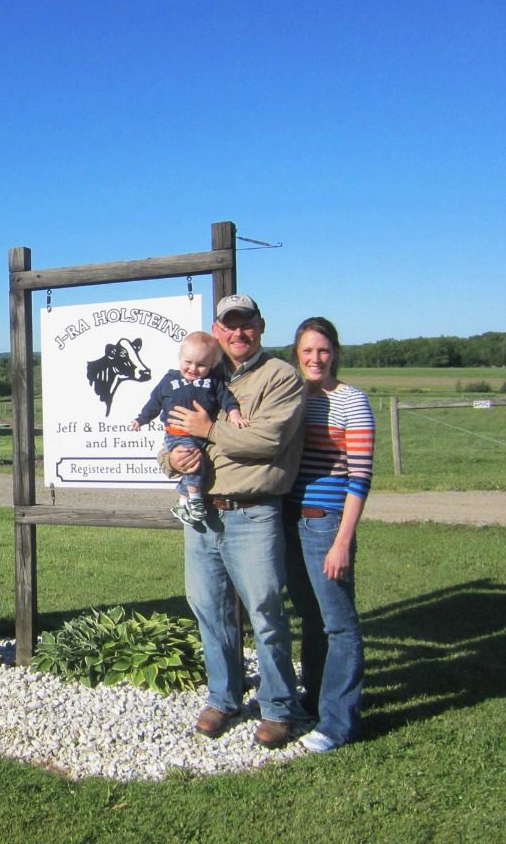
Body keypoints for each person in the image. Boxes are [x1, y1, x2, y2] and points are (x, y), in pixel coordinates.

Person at [161, 294, 306, 748]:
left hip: (253, 511)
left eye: (246, 325)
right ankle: (224, 698)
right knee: (209, 609)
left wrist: (207, 431)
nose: (238, 333)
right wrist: (172, 461)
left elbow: (267, 441)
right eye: (229, 326)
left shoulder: (280, 376)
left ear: (260, 327)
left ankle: (278, 706)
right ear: (217, 330)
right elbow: (170, 430)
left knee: (264, 611)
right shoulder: (203, 373)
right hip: (203, 513)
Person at [282, 317, 374, 754]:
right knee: (310, 617)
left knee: (339, 622)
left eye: (323, 350)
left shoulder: (351, 401)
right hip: (289, 517)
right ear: (296, 354)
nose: (315, 358)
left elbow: (360, 478)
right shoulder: (293, 396)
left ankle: (339, 723)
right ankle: (315, 698)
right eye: (307, 351)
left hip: (326, 521)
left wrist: (342, 541)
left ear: (334, 352)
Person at [132, 331, 248, 524]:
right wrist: (141, 419)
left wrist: (235, 414)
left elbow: (227, 400)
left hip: (203, 435)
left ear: (212, 365)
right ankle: (195, 500)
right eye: (188, 362)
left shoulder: (214, 382)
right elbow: (155, 402)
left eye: (201, 365)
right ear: (179, 359)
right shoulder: (169, 381)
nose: (193, 368)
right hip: (178, 433)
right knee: (192, 460)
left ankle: (182, 501)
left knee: (201, 463)